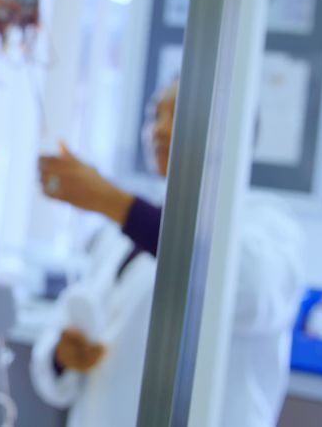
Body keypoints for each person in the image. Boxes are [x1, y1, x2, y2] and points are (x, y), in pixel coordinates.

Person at [30, 80, 304, 427]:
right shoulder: (122, 236)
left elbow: (246, 289)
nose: (158, 128)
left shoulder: (266, 225)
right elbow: (67, 329)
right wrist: (61, 356)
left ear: (232, 131)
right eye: (155, 114)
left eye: (179, 115)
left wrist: (110, 201)